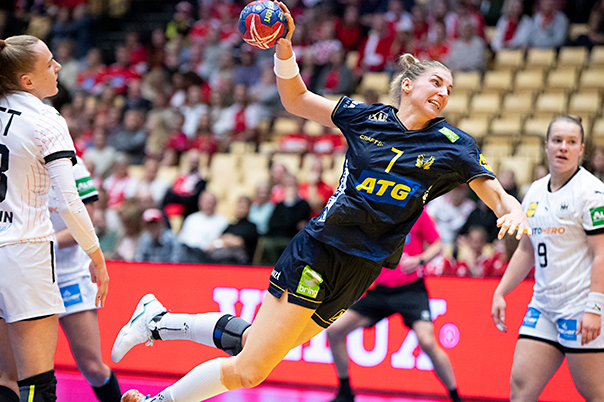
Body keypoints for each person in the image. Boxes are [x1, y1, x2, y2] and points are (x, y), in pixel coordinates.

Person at [114, 3, 530, 402]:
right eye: (436, 81)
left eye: (449, 88)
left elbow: (494, 191)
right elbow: (296, 100)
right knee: (252, 368)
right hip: (321, 249)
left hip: (363, 269)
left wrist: (510, 211)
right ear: (408, 85)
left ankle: (157, 321)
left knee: (254, 346)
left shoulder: (453, 146)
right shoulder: (366, 118)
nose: (444, 92)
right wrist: (284, 46)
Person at [0, 35, 109, 402]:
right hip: (23, 257)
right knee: (37, 386)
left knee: (8, 380)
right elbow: (71, 202)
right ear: (27, 81)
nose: (57, 68)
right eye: (49, 63)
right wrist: (97, 258)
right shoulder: (45, 118)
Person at [491, 116, 604, 402]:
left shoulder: (593, 193)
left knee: (597, 395)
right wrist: (501, 291)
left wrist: (594, 309)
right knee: (521, 388)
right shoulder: (534, 191)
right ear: (546, 146)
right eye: (557, 140)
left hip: (583, 304)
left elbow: (603, 254)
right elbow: (526, 250)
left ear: (581, 149)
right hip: (545, 305)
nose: (563, 147)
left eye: (571, 142)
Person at [326, 209, 461, 402]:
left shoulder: (418, 212)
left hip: (410, 289)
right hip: (380, 290)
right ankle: (345, 392)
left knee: (427, 341)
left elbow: (437, 245)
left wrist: (419, 260)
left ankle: (456, 397)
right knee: (334, 331)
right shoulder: (375, 213)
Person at [48, 156, 121, 401]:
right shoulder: (16, 158)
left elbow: (86, 221)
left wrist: (45, 242)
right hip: (31, 274)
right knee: (25, 371)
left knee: (93, 368)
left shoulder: (73, 165)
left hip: (69, 276)